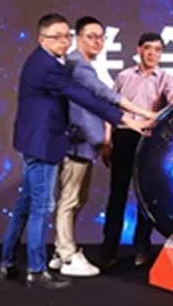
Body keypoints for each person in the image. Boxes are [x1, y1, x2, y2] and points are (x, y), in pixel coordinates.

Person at [0, 13, 150, 289]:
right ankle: (36, 270)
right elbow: (84, 96)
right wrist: (125, 119)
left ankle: (7, 263)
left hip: (32, 141)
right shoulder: (49, 66)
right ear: (41, 39)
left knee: (26, 204)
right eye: (56, 37)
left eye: (65, 36)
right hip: (43, 143)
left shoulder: (44, 61)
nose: (63, 42)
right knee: (42, 207)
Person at [48, 16, 156, 277]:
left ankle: (61, 252)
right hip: (77, 142)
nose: (97, 41)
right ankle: (66, 254)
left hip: (85, 142)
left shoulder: (81, 65)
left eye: (100, 37)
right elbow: (104, 95)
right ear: (77, 38)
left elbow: (99, 103)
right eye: (91, 36)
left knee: (76, 199)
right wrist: (141, 114)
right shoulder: (79, 66)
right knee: (70, 199)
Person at [99, 32, 173, 269]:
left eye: (158, 50)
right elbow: (110, 107)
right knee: (117, 194)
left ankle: (142, 246)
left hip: (148, 139)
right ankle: (108, 248)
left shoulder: (165, 78)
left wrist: (160, 113)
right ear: (139, 50)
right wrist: (107, 140)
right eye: (148, 48)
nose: (152, 54)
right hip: (124, 136)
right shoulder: (124, 75)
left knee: (145, 196)